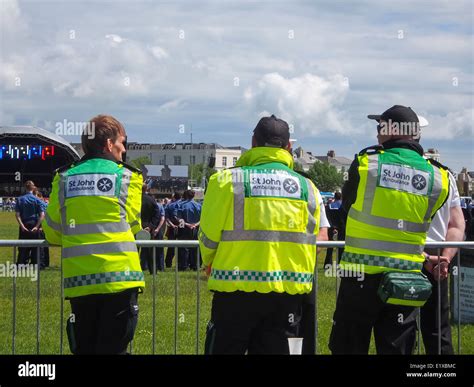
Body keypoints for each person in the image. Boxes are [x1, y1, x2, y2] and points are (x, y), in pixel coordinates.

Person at [329, 105, 450, 354]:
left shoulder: (366, 164)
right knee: (399, 349)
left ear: (393, 130)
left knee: (348, 347)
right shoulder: (439, 178)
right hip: (406, 280)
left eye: (380, 127)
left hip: (360, 277)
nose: (376, 134)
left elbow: (345, 210)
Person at [199, 114, 324, 354]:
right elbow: (312, 241)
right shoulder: (308, 187)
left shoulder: (226, 180)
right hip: (288, 294)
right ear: (288, 147)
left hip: (234, 290)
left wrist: (209, 261)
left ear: (253, 143)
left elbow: (208, 235)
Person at [43, 114, 145, 355]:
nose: (124, 149)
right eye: (122, 142)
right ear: (109, 144)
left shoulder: (64, 176)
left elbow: (53, 231)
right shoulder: (129, 176)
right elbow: (132, 225)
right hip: (120, 279)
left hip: (81, 282)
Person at [420, 167, 465, 354]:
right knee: (438, 330)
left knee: (398, 331)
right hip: (436, 257)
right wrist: (446, 257)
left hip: (415, 256)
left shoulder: (389, 167)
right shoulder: (443, 174)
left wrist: (443, 258)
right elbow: (456, 224)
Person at [15, 180, 46, 268]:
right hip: (34, 223)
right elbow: (42, 215)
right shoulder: (37, 199)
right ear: (33, 188)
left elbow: (17, 215)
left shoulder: (20, 199)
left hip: (24, 223)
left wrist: (22, 226)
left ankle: (21, 263)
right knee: (36, 246)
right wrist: (37, 226)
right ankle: (36, 264)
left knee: (23, 246)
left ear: (25, 187)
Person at [175, 189, 201, 271]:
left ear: (186, 195)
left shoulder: (181, 205)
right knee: (195, 247)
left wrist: (187, 224)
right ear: (194, 196)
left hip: (185, 228)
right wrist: (195, 225)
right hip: (196, 228)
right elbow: (202, 218)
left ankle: (183, 265)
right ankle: (195, 265)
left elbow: (178, 218)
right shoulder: (199, 205)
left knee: (184, 247)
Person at [140, 183, 162, 273]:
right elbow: (157, 214)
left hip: (135, 226)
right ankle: (153, 270)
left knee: (132, 249)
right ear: (146, 189)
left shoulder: (133, 199)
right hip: (148, 228)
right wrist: (151, 226)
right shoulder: (151, 200)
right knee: (150, 251)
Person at [324, 191, 345, 267]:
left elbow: (327, 216)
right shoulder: (343, 206)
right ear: (341, 197)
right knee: (341, 247)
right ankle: (340, 263)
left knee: (330, 246)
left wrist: (332, 226)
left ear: (334, 197)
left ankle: (327, 263)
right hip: (342, 227)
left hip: (331, 226)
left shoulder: (329, 206)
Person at [164, 192, 182, 268]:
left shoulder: (169, 206)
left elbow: (167, 218)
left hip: (172, 228)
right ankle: (182, 263)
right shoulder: (182, 204)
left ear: (174, 197)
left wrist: (172, 225)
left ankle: (168, 263)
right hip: (182, 227)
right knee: (183, 246)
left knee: (171, 246)